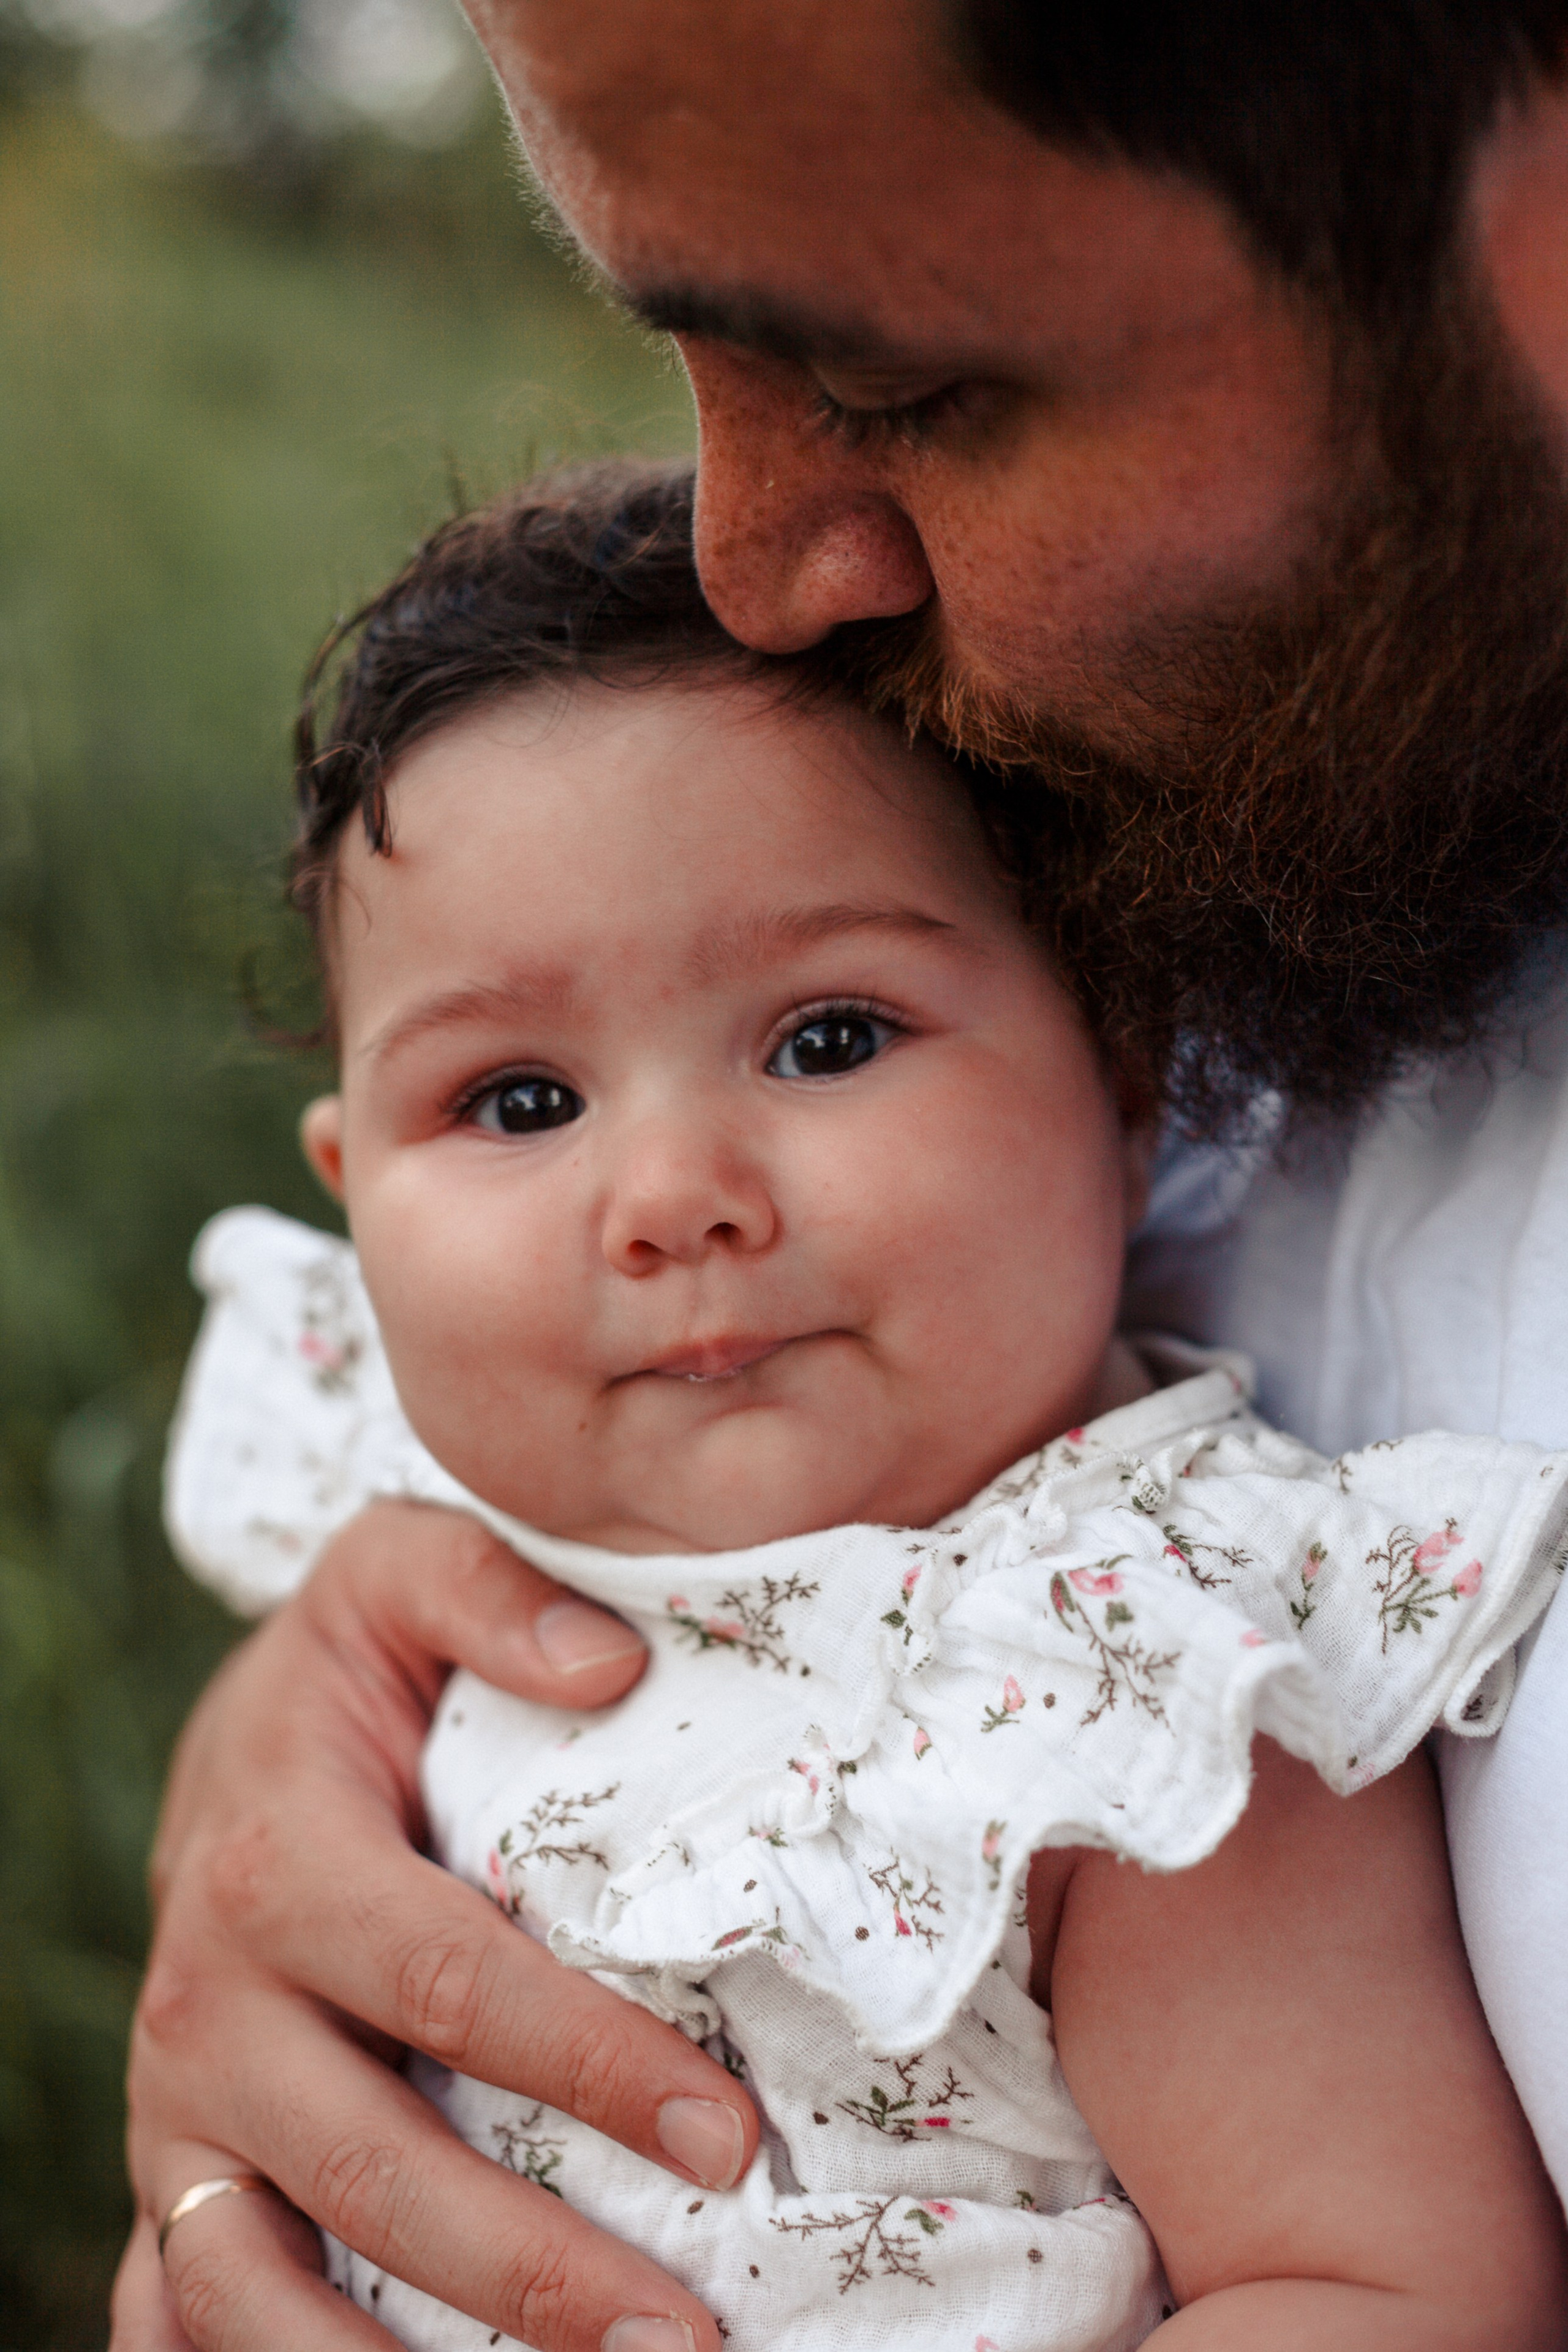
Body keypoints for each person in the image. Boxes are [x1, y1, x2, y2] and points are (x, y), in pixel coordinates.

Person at [113, 10, 1568, 2351]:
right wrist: (263, 1815)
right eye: (515, 1104)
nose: (671, 1198)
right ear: (347, 1192)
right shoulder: (1226, 818)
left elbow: (1379, 2282)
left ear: (1127, 1077)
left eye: (824, 1042)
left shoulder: (1124, 1687)